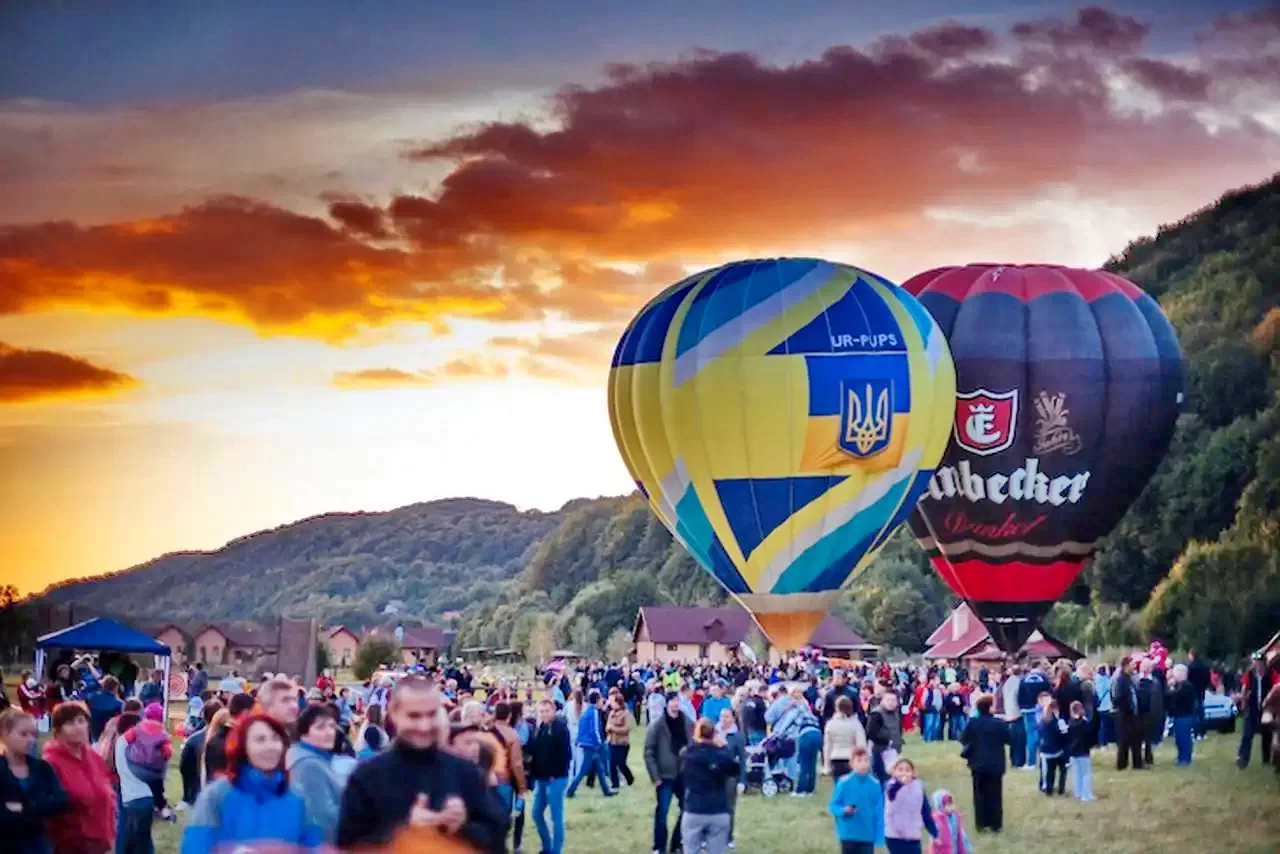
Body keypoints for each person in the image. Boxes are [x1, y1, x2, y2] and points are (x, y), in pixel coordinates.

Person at [336, 677, 508, 854]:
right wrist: (407, 830)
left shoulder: (465, 773)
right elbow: (349, 844)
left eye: (431, 715)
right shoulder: (368, 777)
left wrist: (461, 826)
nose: (424, 726)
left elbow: (497, 837)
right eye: (414, 716)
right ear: (394, 714)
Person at [181, 713, 322, 854]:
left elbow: (312, 846)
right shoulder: (216, 795)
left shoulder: (297, 796)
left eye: (275, 738)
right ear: (243, 747)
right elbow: (196, 846)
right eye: (260, 740)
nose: (270, 746)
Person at [42, 701, 115, 854]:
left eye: (81, 721)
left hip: (99, 844)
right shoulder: (50, 763)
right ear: (58, 730)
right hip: (69, 846)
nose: (78, 727)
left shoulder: (93, 757)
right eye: (70, 723)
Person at [0, 708, 67, 854]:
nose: (30, 740)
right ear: (5, 735)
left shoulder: (42, 768)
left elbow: (60, 800)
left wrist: (24, 807)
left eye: (33, 734)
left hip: (39, 844)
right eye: (23, 734)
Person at [678, 718, 738, 854]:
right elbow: (734, 769)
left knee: (691, 848)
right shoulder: (721, 756)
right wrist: (723, 747)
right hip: (718, 809)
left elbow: (683, 758)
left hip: (694, 808)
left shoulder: (688, 754)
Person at [286, 704, 344, 842]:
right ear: (304, 733)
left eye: (332, 726)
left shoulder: (303, 756)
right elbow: (323, 817)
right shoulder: (309, 765)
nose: (329, 732)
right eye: (320, 727)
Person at [645, 693, 693, 854]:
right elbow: (649, 752)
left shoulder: (687, 723)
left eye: (677, 701)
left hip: (683, 774)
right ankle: (659, 846)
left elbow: (693, 745)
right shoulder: (657, 725)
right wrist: (655, 776)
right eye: (672, 701)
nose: (675, 704)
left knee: (687, 809)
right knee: (662, 812)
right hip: (664, 776)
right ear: (667, 704)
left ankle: (677, 843)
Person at [959, 693, 1008, 833]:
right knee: (995, 795)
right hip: (995, 764)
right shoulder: (999, 723)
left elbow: (963, 739)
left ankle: (981, 823)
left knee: (979, 794)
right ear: (990, 707)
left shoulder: (973, 723)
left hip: (977, 763)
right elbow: (1009, 739)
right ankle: (995, 824)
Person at [527, 698, 571, 854]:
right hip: (541, 778)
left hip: (556, 778)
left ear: (553, 711)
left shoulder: (560, 728)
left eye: (547, 711)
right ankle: (547, 845)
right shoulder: (540, 728)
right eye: (541, 711)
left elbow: (566, 755)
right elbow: (536, 750)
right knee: (536, 812)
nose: (544, 714)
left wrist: (555, 774)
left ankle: (556, 850)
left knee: (555, 816)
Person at [114, 712, 157, 854]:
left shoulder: (119, 743)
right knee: (143, 844)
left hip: (128, 797)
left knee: (127, 839)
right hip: (143, 797)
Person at [123, 703, 174, 821]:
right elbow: (167, 752)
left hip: (135, 768)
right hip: (155, 772)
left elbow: (125, 741)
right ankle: (163, 810)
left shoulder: (137, 728)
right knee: (158, 790)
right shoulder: (163, 733)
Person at [828, 747, 883, 854]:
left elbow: (879, 812)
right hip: (848, 834)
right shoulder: (844, 783)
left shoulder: (875, 784)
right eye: (859, 760)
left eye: (866, 760)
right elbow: (833, 806)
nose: (863, 764)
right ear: (851, 763)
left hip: (867, 835)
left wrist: (879, 838)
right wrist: (844, 810)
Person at [883, 758, 938, 854]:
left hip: (913, 835)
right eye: (900, 770)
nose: (904, 773)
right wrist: (900, 784)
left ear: (913, 773)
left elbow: (925, 811)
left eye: (907, 770)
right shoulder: (891, 786)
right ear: (894, 772)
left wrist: (934, 833)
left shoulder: (918, 787)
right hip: (895, 836)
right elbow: (891, 795)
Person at [565, 691, 613, 798]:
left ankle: (606, 790)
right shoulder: (594, 712)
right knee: (583, 770)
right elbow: (595, 729)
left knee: (599, 768)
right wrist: (600, 742)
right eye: (600, 700)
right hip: (591, 745)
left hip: (586, 743)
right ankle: (570, 790)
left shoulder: (586, 711)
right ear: (597, 700)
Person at [179, 700, 222, 811]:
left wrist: (187, 795)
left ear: (203, 715)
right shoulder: (231, 739)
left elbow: (184, 769)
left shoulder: (193, 740)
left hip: (198, 794)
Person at [714, 707, 746, 849]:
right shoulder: (713, 733)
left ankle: (728, 837)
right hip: (712, 776)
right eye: (722, 716)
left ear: (733, 719)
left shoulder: (738, 736)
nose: (723, 719)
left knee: (728, 808)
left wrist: (742, 781)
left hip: (730, 777)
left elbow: (742, 760)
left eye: (727, 716)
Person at [1237, 654, 1274, 769]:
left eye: (1259, 663)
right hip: (1252, 708)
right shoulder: (1249, 674)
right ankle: (1243, 759)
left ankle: (1266, 759)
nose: (1257, 665)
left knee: (1267, 734)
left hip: (1266, 708)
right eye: (1256, 663)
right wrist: (1243, 702)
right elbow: (1244, 688)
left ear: (1264, 664)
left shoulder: (1271, 674)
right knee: (1247, 734)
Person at [824, 695, 867, 783]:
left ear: (837, 708)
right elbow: (861, 744)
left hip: (835, 758)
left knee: (839, 787)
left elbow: (827, 746)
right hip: (851, 758)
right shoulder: (855, 724)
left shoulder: (830, 724)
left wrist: (826, 765)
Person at [1113, 657, 1145, 770]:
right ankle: (1122, 764)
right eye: (1132, 664)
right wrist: (1127, 708)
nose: (1134, 666)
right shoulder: (1121, 680)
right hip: (1125, 714)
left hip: (1133, 714)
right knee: (1124, 740)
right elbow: (1119, 697)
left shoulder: (1130, 678)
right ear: (1126, 665)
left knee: (1136, 739)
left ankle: (1138, 763)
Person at [865, 691, 903, 783]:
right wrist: (886, 741)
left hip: (894, 750)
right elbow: (871, 733)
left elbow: (898, 729)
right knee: (881, 778)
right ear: (882, 701)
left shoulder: (896, 713)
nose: (891, 703)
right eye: (888, 700)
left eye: (893, 700)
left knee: (893, 778)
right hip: (880, 751)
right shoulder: (876, 713)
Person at [1166, 663, 1197, 767]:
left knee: (1183, 738)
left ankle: (1185, 759)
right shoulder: (1182, 685)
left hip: (1184, 716)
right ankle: (1181, 757)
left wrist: (1171, 687)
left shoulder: (1186, 686)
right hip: (1180, 715)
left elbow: (1175, 696)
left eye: (1175, 674)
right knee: (1179, 739)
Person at [1037, 697, 1067, 796]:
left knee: (1049, 771)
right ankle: (1061, 788)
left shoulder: (1042, 720)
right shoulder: (1057, 721)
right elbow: (1063, 733)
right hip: (1057, 749)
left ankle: (1048, 788)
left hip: (1045, 750)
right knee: (1062, 770)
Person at [1066, 700, 1095, 801]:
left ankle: (1078, 792)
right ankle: (1086, 795)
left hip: (1073, 751)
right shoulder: (1083, 722)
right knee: (1086, 773)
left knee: (1076, 773)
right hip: (1083, 750)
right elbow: (1089, 735)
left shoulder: (1070, 722)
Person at [928, 790, 973, 854]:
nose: (952, 807)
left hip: (955, 849)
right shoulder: (937, 820)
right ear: (941, 806)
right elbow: (934, 839)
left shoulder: (955, 817)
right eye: (948, 805)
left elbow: (961, 835)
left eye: (952, 804)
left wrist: (967, 849)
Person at [605, 693, 635, 789]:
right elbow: (607, 726)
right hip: (612, 742)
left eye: (613, 701)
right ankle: (615, 784)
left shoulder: (626, 714)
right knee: (612, 763)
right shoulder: (611, 713)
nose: (611, 704)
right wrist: (609, 729)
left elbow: (626, 728)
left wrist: (613, 728)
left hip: (622, 743)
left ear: (618, 702)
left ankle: (630, 779)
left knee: (621, 763)